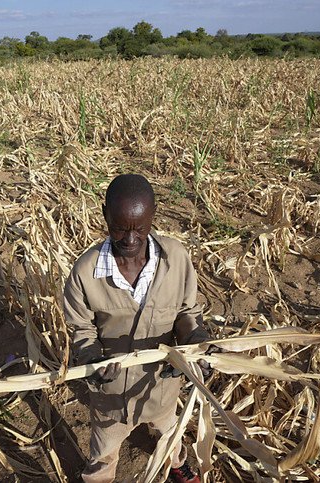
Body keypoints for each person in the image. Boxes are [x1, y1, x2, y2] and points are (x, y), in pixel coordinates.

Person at [63, 173, 212, 483]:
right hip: (111, 396)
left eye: (139, 230)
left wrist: (195, 343)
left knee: (169, 433)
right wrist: (92, 359)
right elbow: (82, 330)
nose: (129, 240)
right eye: (119, 229)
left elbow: (186, 313)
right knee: (103, 454)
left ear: (153, 216)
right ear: (105, 215)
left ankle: (177, 465)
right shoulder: (85, 272)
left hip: (160, 387)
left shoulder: (177, 260)